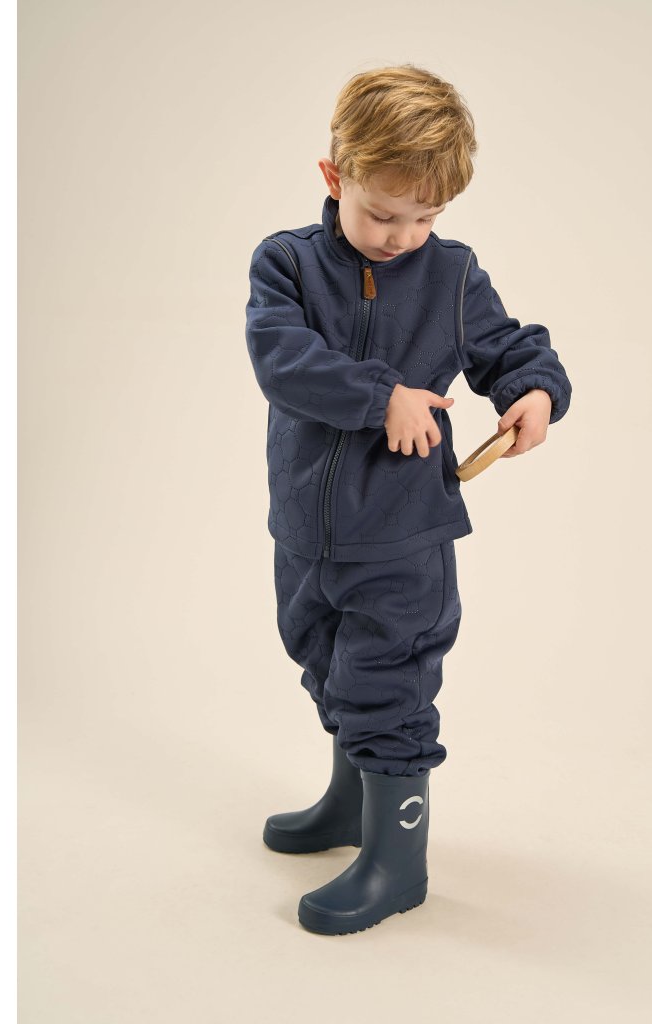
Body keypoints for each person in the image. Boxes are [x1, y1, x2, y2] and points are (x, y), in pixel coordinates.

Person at [244, 64, 573, 935]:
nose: (403, 236)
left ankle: (398, 862)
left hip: (402, 537)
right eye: (383, 213)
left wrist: (535, 391)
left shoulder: (451, 276)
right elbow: (282, 360)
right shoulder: (286, 264)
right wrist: (382, 394)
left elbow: (508, 347)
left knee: (386, 684)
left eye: (425, 217)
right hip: (306, 528)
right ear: (334, 177)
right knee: (323, 662)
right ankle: (350, 805)